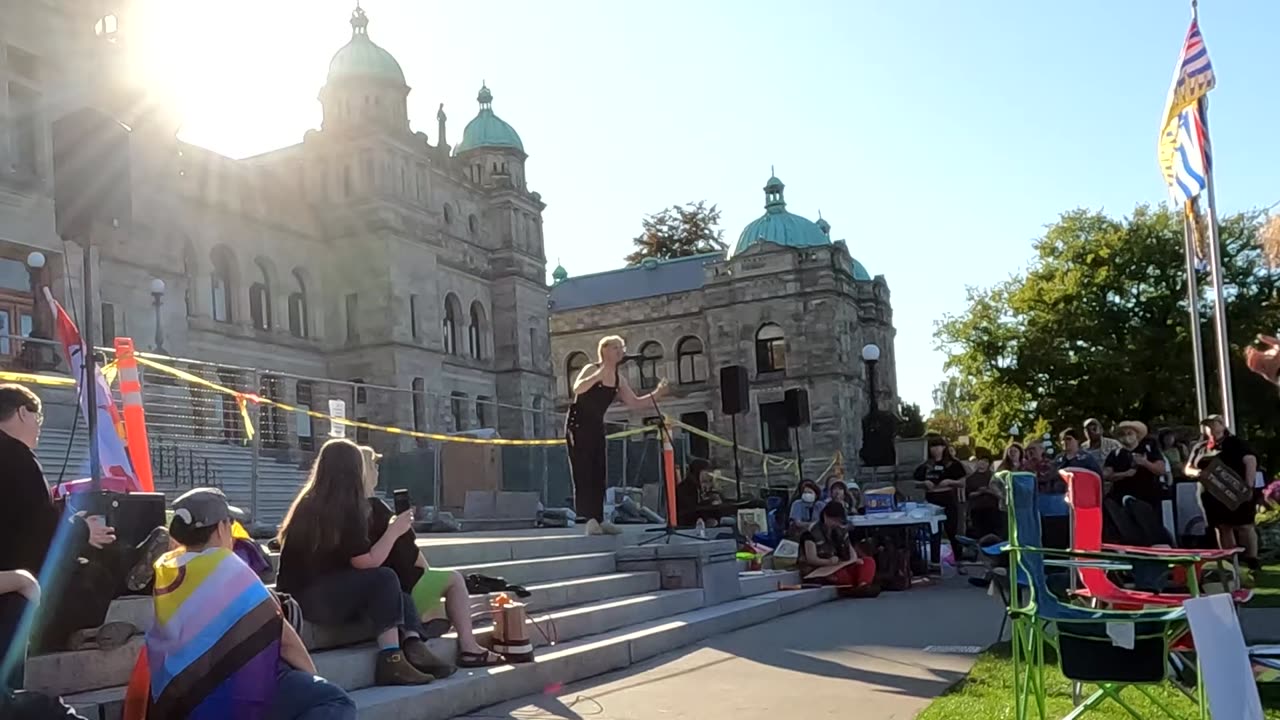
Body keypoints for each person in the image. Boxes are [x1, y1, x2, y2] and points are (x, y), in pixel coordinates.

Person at [125, 487, 355, 719]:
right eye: (230, 522)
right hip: (233, 692)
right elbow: (286, 642)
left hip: (182, 696)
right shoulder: (228, 568)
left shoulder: (169, 570)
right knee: (334, 700)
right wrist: (314, 678)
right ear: (220, 528)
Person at [0, 384, 164, 668]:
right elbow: (38, 530)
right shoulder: (18, 458)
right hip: (20, 584)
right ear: (22, 413)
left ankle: (130, 563)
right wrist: (82, 530)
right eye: (38, 418)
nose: (39, 427)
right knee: (95, 573)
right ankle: (126, 571)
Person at [275, 439, 436, 686]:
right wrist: (393, 531)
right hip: (308, 600)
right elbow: (367, 563)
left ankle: (413, 645)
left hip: (314, 592)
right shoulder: (342, 508)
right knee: (384, 578)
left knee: (398, 594)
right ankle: (391, 660)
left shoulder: (309, 501)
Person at [358, 446, 503, 668]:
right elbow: (410, 552)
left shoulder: (351, 510)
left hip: (374, 587)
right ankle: (469, 646)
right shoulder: (377, 508)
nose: (378, 470)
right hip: (398, 586)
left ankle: (432, 617)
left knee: (441, 586)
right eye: (374, 465)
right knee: (454, 579)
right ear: (366, 470)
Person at [566, 335, 669, 536]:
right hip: (578, 424)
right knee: (584, 471)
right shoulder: (591, 369)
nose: (620, 351)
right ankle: (589, 520)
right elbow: (578, 388)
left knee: (599, 471)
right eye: (616, 347)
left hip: (596, 425)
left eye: (621, 347)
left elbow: (635, 403)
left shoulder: (618, 379)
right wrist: (598, 375)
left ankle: (600, 518)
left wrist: (657, 393)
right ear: (604, 350)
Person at [1185, 415, 1260, 570]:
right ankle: (1230, 561)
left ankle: (1252, 560)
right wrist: (1198, 473)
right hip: (1210, 493)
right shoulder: (1200, 447)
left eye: (1213, 424)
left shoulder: (1235, 443)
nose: (1210, 428)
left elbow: (1250, 460)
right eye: (1207, 425)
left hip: (1235, 490)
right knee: (1221, 526)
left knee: (1244, 525)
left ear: (1222, 425)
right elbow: (1187, 468)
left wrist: (1248, 486)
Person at [799, 502, 878, 597]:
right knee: (842, 576)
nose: (836, 523)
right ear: (825, 516)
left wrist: (853, 561)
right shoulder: (811, 532)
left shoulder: (840, 531)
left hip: (840, 564)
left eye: (838, 521)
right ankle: (856, 587)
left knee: (868, 561)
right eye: (834, 520)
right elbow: (811, 559)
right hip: (821, 568)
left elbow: (852, 553)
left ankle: (863, 586)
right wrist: (828, 562)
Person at [914, 436, 966, 545]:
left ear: (943, 447)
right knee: (934, 531)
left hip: (948, 498)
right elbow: (914, 483)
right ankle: (935, 557)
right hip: (931, 499)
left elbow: (962, 482)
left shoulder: (953, 464)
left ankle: (957, 555)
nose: (936, 449)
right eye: (933, 447)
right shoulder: (925, 466)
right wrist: (924, 483)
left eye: (939, 446)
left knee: (952, 530)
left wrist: (949, 482)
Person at [1103, 420, 1166, 507]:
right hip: (1122, 499)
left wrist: (1145, 463)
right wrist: (1125, 474)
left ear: (1137, 435)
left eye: (1129, 433)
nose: (1126, 436)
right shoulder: (1115, 454)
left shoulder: (1149, 449)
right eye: (1122, 434)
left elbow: (1161, 470)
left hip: (1148, 498)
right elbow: (1106, 475)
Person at [964, 451, 1004, 539]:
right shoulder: (971, 478)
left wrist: (989, 491)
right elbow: (968, 495)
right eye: (981, 460)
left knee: (994, 535)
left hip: (993, 509)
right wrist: (979, 492)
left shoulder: (994, 477)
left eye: (986, 461)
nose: (983, 463)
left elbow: (1001, 494)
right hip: (977, 510)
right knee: (979, 535)